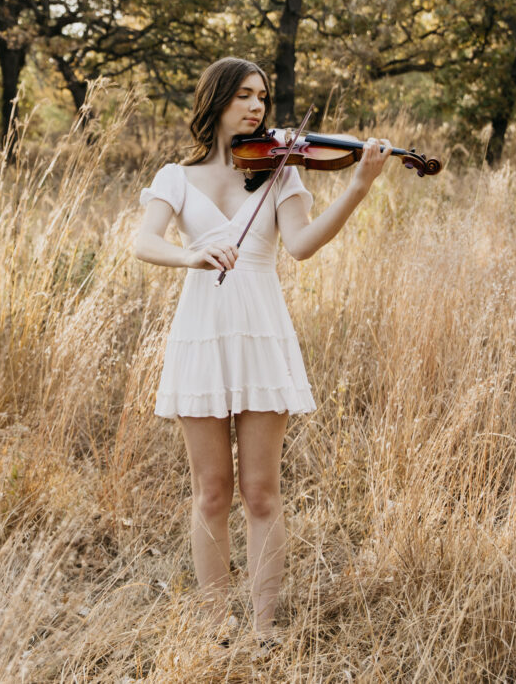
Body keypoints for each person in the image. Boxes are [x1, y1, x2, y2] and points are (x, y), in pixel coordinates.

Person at [133, 56, 390, 645]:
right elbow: (145, 241)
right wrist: (190, 255)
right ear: (216, 101)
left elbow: (299, 245)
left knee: (261, 491)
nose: (256, 108)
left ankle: (264, 627)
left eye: (262, 98)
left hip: (261, 331)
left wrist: (357, 186)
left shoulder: (279, 173)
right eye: (244, 95)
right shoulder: (176, 175)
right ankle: (214, 624)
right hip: (201, 334)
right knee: (211, 491)